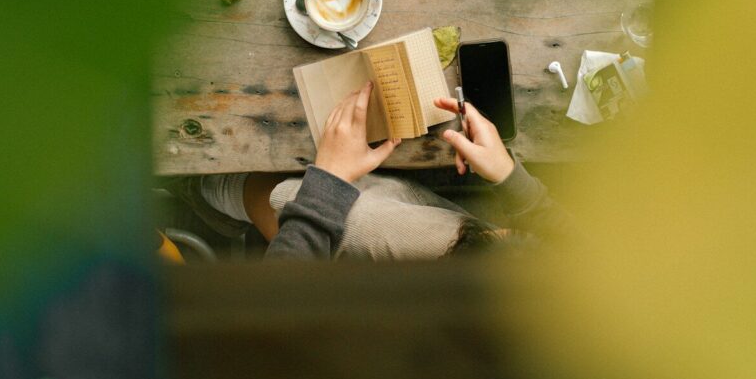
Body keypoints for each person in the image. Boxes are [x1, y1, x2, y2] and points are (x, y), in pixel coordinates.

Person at [195, 82, 573, 261]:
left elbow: (275, 312)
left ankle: (206, 189)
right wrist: (513, 181)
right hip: (482, 255)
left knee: (353, 218)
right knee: (385, 199)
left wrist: (328, 182)